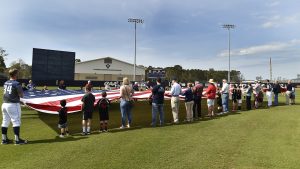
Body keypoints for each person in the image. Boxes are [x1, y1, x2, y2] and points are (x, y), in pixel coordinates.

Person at [1, 69, 27, 145]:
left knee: (5, 122)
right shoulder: (16, 83)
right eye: (17, 73)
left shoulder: (6, 82)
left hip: (4, 104)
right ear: (15, 74)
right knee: (16, 121)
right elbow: (21, 95)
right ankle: (17, 140)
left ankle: (4, 140)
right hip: (13, 104)